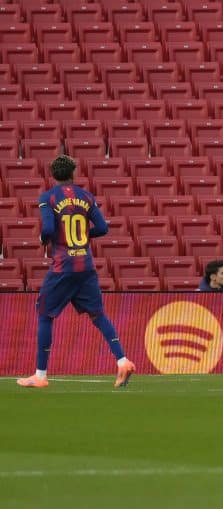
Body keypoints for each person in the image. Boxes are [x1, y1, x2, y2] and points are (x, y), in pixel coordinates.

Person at [19, 155, 137, 390]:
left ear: (53, 175)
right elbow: (102, 228)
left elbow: (49, 229)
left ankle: (40, 375)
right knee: (98, 315)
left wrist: (44, 239)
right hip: (86, 266)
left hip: (63, 267)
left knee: (45, 315)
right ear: (74, 173)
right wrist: (83, 237)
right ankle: (122, 361)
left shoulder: (48, 197)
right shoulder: (86, 196)